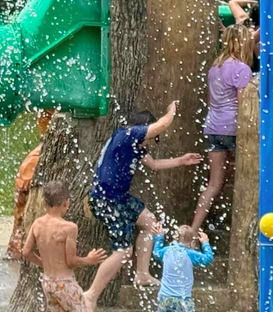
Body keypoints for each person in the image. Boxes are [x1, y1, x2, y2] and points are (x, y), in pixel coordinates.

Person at [83, 103, 203, 312]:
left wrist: (181, 161)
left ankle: (142, 274)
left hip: (118, 198)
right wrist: (171, 112)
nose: (151, 142)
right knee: (123, 251)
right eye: (151, 137)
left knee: (151, 224)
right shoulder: (127, 135)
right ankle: (91, 295)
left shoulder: (136, 146)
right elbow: (161, 125)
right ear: (143, 130)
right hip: (106, 200)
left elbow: (154, 164)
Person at [190, 25, 255, 232]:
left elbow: (212, 102)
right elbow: (243, 104)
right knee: (247, 177)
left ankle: (193, 229)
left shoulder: (214, 68)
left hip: (213, 128)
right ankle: (244, 227)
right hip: (234, 129)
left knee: (214, 184)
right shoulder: (242, 69)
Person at [22, 180, 107, 312]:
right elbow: (71, 261)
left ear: (44, 203)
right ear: (66, 203)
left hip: (47, 282)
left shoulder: (37, 223)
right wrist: (89, 260)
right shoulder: (69, 228)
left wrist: (44, 263)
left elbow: (26, 252)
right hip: (65, 284)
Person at [152, 224, 214, 312]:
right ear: (192, 243)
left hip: (165, 297)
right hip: (183, 299)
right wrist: (205, 243)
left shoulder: (167, 251)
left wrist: (159, 237)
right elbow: (208, 258)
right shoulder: (190, 254)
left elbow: (156, 253)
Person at [8, 143, 43, 259]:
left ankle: (15, 252)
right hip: (25, 185)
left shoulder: (38, 153)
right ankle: (18, 253)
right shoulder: (38, 154)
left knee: (19, 224)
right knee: (22, 223)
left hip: (24, 184)